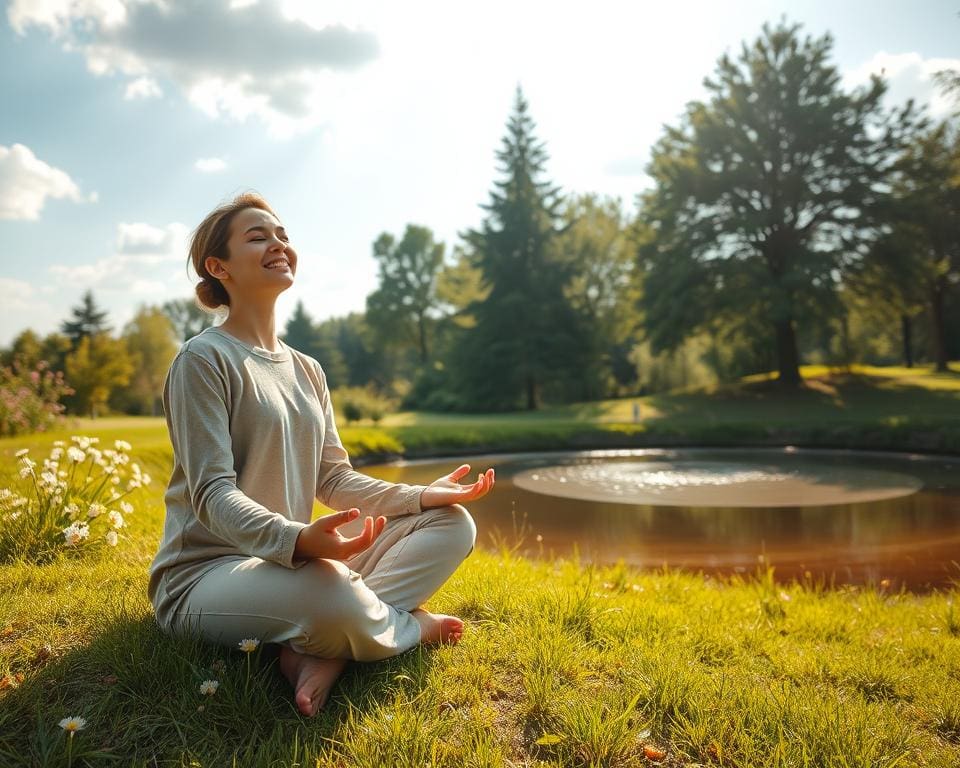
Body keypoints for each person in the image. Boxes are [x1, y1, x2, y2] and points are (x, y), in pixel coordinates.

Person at [148, 192, 495, 717]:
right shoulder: (203, 360)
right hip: (205, 574)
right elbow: (211, 494)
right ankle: (407, 627)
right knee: (331, 591)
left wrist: (421, 495)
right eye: (258, 236)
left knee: (453, 524)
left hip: (290, 563)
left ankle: (323, 648)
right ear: (219, 267)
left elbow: (333, 478)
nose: (278, 244)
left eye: (282, 234)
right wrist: (297, 539)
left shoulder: (307, 369)